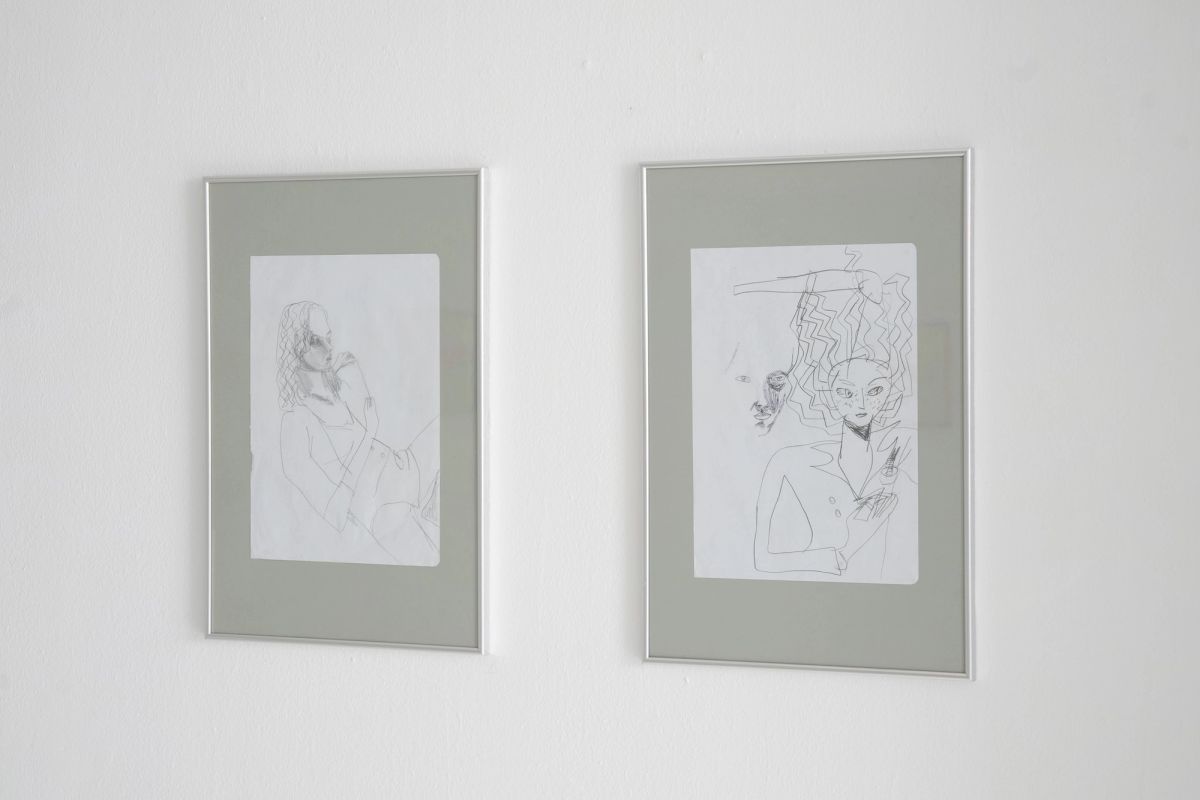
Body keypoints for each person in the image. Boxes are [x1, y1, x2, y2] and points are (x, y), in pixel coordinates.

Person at [735, 267, 916, 581]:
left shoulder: (905, 447)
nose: (861, 404)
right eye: (846, 392)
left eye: (875, 390)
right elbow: (762, 560)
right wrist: (849, 545)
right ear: (825, 391)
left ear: (892, 388)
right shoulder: (789, 462)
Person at [275, 301, 439, 564]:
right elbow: (336, 508)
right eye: (316, 341)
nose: (329, 348)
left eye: (329, 338)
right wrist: (369, 433)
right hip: (380, 505)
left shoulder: (341, 381)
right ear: (296, 346)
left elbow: (377, 420)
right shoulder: (295, 422)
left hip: (403, 468)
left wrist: (352, 377)